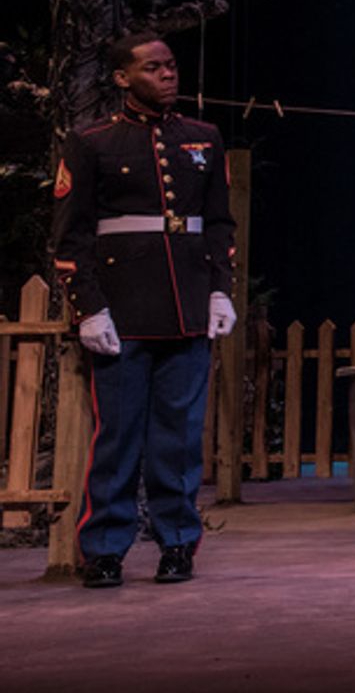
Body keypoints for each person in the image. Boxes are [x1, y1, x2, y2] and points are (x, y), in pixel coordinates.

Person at [51, 30, 238, 588]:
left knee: (177, 437)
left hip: (186, 305)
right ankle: (104, 549)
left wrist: (220, 289)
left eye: (171, 65)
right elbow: (71, 236)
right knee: (118, 437)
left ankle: (177, 543)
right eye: (153, 67)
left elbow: (220, 224)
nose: (167, 74)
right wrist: (89, 308)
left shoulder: (203, 137)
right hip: (122, 310)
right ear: (122, 78)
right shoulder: (92, 143)